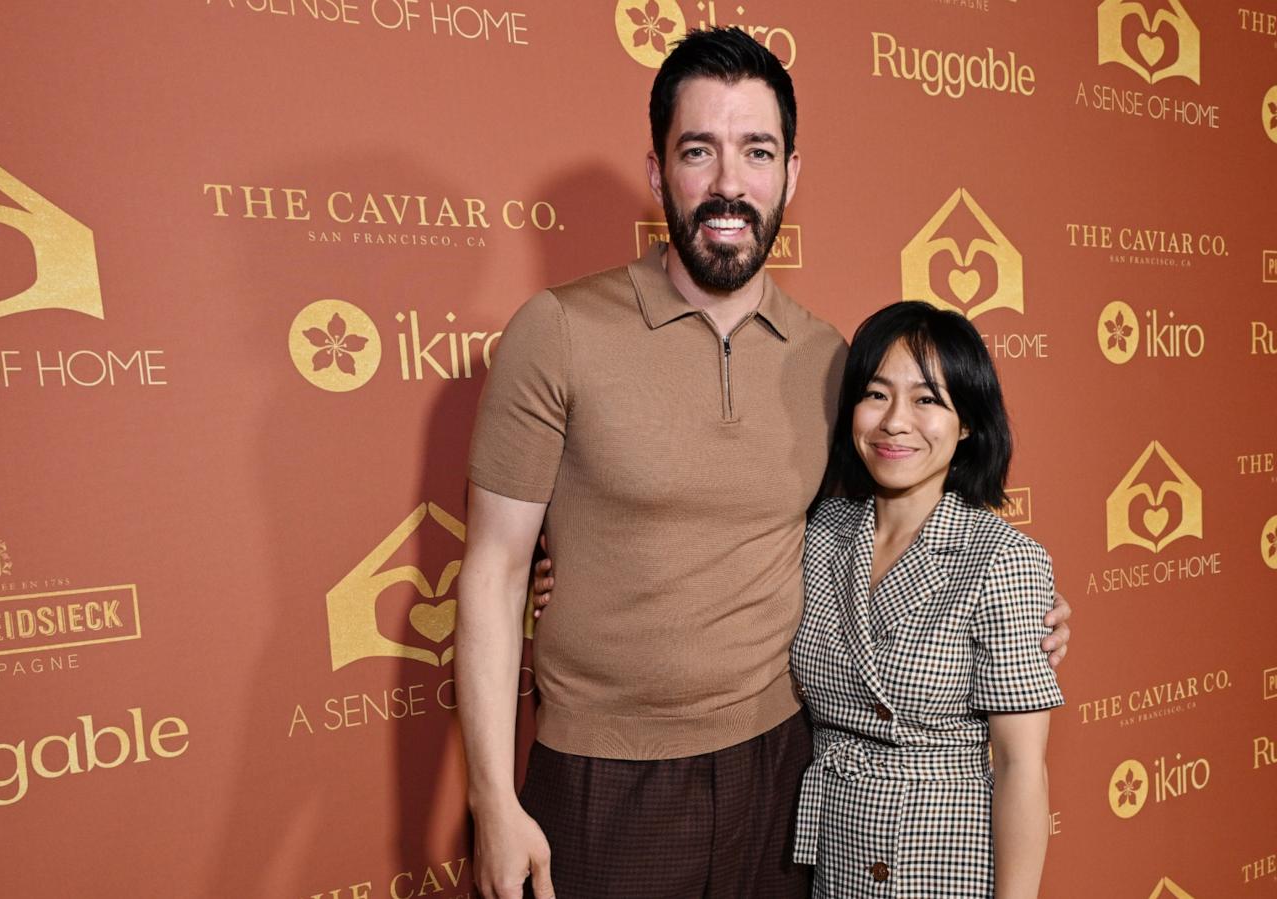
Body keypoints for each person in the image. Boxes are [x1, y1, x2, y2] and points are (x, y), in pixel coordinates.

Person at [457, 28, 1071, 899]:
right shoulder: (555, 331)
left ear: (791, 173)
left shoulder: (830, 358)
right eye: (698, 151)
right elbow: (491, 569)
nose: (728, 184)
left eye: (757, 151)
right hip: (606, 774)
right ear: (658, 170)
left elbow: (886, 527)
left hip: (787, 769)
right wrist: (491, 798)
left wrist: (1019, 614)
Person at [792, 301, 1061, 898]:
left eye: (927, 400)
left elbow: (1020, 766)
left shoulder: (1002, 559)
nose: (894, 422)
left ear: (967, 422)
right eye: (875, 394)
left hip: (938, 855)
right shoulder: (819, 530)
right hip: (832, 853)